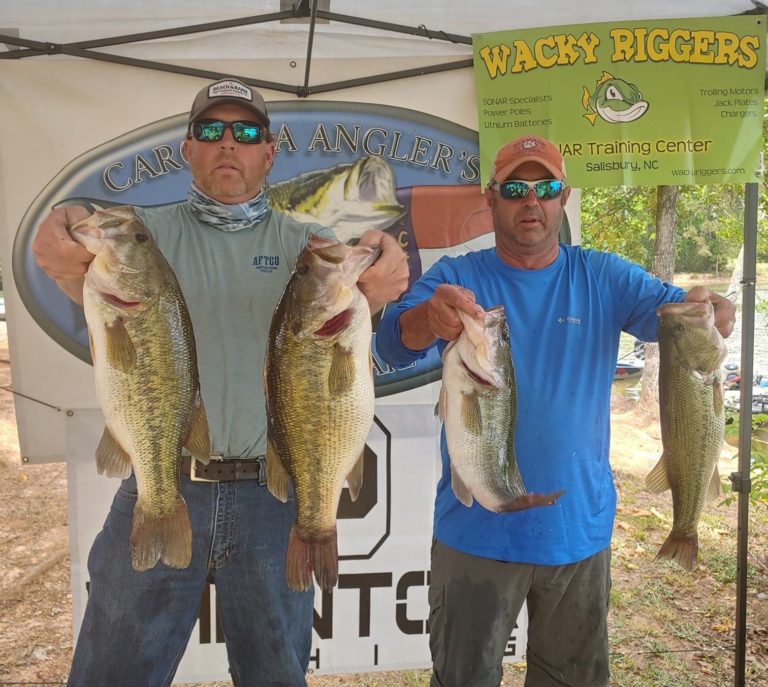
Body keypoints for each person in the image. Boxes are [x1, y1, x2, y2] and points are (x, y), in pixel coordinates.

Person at [32, 78, 409, 687]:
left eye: (246, 132)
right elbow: (64, 250)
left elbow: (358, 309)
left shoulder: (305, 248)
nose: (228, 143)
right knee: (112, 672)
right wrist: (63, 221)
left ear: (269, 153)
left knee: (276, 674)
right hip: (164, 476)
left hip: (271, 495)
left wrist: (383, 269)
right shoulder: (140, 236)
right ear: (188, 150)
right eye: (211, 130)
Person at [375, 134, 736, 687]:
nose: (531, 201)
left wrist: (710, 307)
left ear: (564, 197)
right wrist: (427, 320)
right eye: (515, 189)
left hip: (577, 531)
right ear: (491, 198)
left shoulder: (604, 275)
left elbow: (677, 315)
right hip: (476, 533)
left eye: (545, 188)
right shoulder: (458, 277)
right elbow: (392, 344)